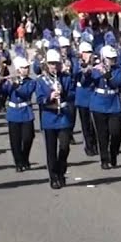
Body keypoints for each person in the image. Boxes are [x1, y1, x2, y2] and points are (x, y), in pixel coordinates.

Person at [35, 49, 76, 189]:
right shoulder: (41, 80)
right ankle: (53, 177)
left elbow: (72, 94)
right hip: (49, 116)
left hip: (63, 116)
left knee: (65, 146)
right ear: (47, 64)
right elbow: (39, 99)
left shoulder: (65, 77)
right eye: (51, 64)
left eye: (56, 64)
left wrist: (63, 91)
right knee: (51, 150)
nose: (54, 67)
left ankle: (61, 170)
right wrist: (50, 97)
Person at [85, 45, 121, 169]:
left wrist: (107, 74)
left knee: (116, 132)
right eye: (109, 58)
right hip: (99, 104)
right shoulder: (96, 69)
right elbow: (86, 82)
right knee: (102, 134)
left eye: (114, 58)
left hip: (113, 103)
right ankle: (104, 159)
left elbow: (116, 83)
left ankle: (113, 153)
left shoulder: (118, 70)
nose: (112, 60)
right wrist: (88, 72)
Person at [1, 49, 37, 172]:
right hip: (13, 113)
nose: (27, 69)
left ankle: (25, 158)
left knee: (28, 137)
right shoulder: (10, 81)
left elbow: (25, 93)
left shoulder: (31, 82)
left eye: (27, 67)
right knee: (15, 140)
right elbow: (2, 94)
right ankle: (18, 163)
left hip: (26, 111)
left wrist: (16, 85)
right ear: (18, 69)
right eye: (24, 68)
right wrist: (3, 82)